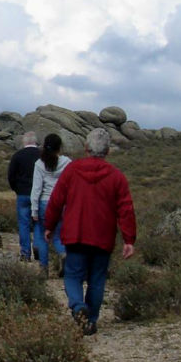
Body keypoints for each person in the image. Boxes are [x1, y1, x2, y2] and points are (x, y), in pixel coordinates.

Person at [44, 127, 136, 336]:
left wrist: (49, 226)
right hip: (102, 237)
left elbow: (56, 200)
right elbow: (126, 209)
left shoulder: (72, 170)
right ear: (108, 151)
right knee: (97, 279)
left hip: (75, 234)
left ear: (86, 148)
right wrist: (129, 240)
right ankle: (90, 320)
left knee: (73, 275)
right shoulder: (116, 177)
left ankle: (78, 307)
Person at [31, 133, 71, 276]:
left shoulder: (39, 164)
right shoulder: (67, 162)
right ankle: (63, 253)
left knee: (43, 237)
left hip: (44, 202)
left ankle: (43, 269)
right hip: (62, 202)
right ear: (59, 147)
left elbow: (36, 188)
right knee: (59, 235)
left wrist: (34, 210)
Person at [7, 131, 42, 263]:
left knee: (24, 223)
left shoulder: (17, 156)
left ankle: (25, 253)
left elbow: (11, 175)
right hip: (39, 194)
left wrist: (16, 189)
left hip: (22, 193)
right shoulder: (42, 155)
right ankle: (38, 247)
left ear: (24, 142)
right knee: (39, 222)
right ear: (35, 141)